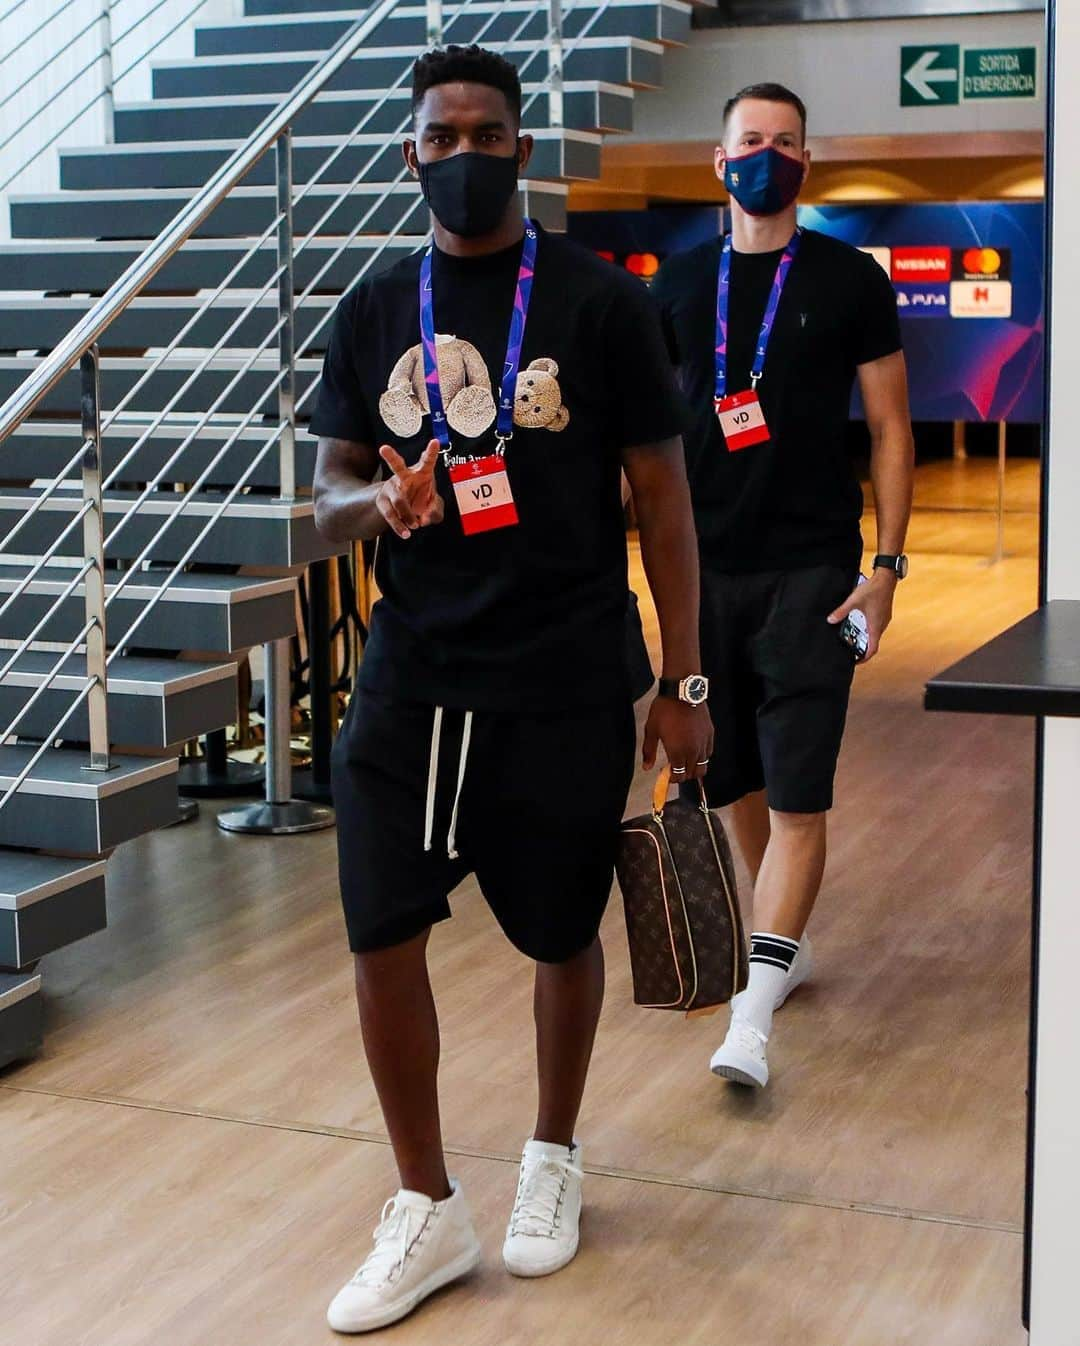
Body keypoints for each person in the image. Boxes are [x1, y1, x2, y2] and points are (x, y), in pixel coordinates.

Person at [310, 44, 713, 1335]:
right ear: (411, 152)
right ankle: (426, 1201)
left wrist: (682, 678)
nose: (468, 153)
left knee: (558, 931)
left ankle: (552, 1156)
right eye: (445, 134)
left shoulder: (598, 303)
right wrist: (374, 498)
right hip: (412, 678)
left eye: (491, 133)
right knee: (379, 927)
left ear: (524, 149)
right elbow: (319, 502)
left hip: (563, 676)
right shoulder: (376, 308)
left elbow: (662, 496)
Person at [651, 82, 914, 1091]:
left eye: (787, 142)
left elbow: (891, 428)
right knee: (735, 781)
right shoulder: (672, 290)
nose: (769, 154)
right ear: (719, 162)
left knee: (799, 787)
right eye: (750, 141)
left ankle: (752, 1015)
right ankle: (781, 942)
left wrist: (885, 569)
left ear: (811, 160)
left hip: (815, 570)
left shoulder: (850, 279)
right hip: (704, 570)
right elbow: (645, 449)